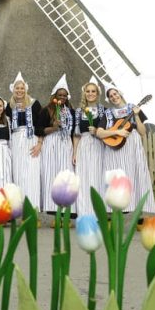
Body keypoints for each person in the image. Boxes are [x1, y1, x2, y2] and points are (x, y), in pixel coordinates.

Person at [96, 87, 155, 214]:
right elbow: (99, 133)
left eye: (115, 93)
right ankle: (113, 211)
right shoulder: (108, 113)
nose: (114, 97)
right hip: (115, 149)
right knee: (116, 178)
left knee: (134, 176)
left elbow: (142, 132)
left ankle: (137, 212)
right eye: (111, 96)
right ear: (109, 99)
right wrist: (117, 131)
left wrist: (136, 115)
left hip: (132, 146)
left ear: (120, 93)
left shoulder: (134, 108)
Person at [37, 74, 76, 217]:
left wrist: (74, 151)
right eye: (60, 95)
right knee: (52, 175)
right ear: (55, 96)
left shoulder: (71, 112)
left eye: (65, 96)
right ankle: (53, 211)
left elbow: (73, 133)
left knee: (66, 176)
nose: (62, 98)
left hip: (66, 145)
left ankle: (67, 211)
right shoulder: (46, 110)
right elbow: (39, 129)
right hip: (52, 144)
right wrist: (53, 127)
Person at [5, 72, 42, 210]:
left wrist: (39, 143)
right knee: (18, 175)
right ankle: (19, 210)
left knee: (32, 175)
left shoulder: (34, 104)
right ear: (12, 90)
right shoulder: (8, 106)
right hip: (15, 141)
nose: (19, 90)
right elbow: (0, 120)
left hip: (31, 140)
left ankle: (33, 210)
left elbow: (40, 125)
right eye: (17, 88)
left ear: (26, 89)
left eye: (22, 88)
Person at [72, 79, 106, 216]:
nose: (90, 94)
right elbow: (76, 135)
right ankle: (84, 213)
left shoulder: (104, 110)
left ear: (97, 94)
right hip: (84, 146)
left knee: (97, 177)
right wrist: (75, 153)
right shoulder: (79, 112)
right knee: (83, 178)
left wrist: (97, 131)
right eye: (88, 91)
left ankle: (98, 213)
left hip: (99, 145)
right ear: (84, 93)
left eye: (93, 91)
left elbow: (108, 131)